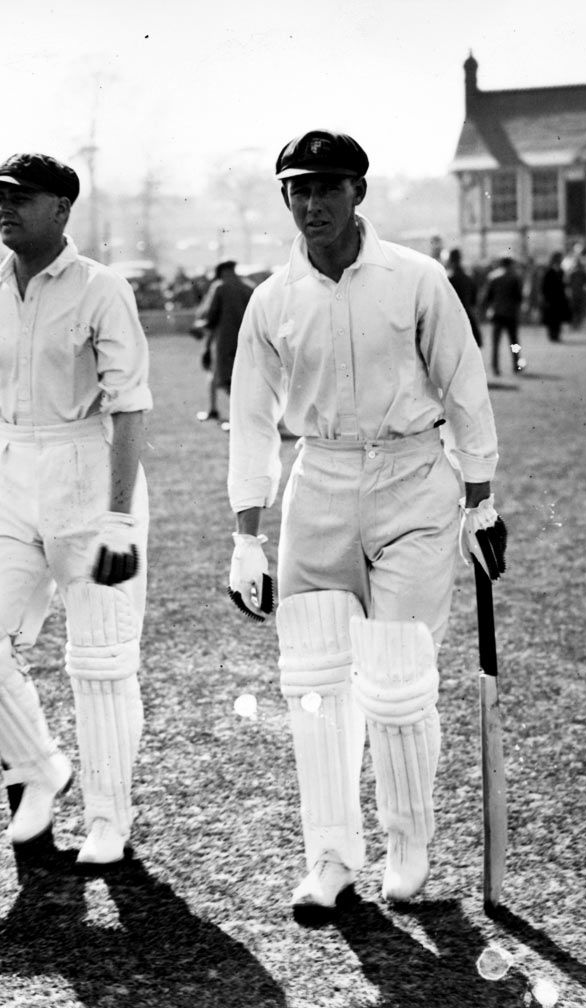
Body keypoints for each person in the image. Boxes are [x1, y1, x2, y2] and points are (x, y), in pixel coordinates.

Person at [225, 129, 499, 912]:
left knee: (398, 679)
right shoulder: (272, 302)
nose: (313, 203)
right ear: (284, 198)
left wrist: (480, 503)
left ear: (359, 193)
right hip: (321, 481)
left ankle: (408, 846)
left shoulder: (415, 279)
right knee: (314, 683)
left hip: (414, 478)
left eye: (329, 187)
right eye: (298, 189)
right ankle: (331, 858)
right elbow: (251, 421)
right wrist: (247, 535)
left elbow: (464, 388)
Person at [0, 152, 152, 872]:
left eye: (22, 196)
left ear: (63, 208)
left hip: (88, 469)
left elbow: (130, 405)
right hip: (7, 475)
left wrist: (117, 518)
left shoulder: (99, 289)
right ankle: (41, 765)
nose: (6, 207)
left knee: (101, 660)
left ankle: (110, 819)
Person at [196, 260, 253, 425]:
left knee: (222, 378)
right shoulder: (249, 287)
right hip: (247, 340)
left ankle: (232, 415)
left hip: (224, 341)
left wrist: (201, 326)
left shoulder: (219, 287)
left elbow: (210, 315)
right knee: (240, 378)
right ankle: (218, 411)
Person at [480, 255, 523, 374]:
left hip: (497, 313)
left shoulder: (493, 277)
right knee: (514, 342)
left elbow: (487, 296)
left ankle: (495, 366)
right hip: (511, 313)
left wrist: (485, 310)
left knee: (496, 343)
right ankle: (516, 364)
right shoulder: (515, 277)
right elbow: (519, 297)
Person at [444, 248, 481, 347]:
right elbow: (474, 300)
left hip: (452, 318)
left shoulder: (448, 278)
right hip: (467, 315)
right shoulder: (468, 278)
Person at [539, 251, 570, 344]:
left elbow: (564, 284)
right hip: (551, 298)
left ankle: (556, 334)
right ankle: (552, 335)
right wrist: (545, 297)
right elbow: (544, 286)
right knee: (551, 318)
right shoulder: (549, 271)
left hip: (559, 298)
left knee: (558, 317)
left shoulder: (561, 271)